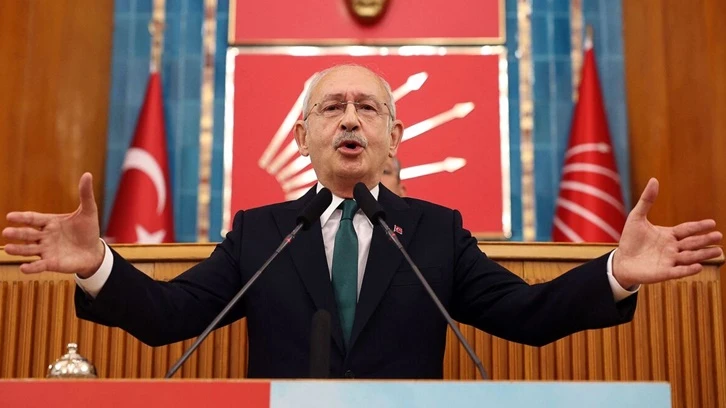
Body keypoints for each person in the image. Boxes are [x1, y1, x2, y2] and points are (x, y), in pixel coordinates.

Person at [2, 64, 722, 379]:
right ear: (303, 136)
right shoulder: (261, 231)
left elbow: (527, 317)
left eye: (367, 107)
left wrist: (616, 273)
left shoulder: (436, 232)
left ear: (393, 137)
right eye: (332, 107)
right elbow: (170, 316)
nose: (350, 119)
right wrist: (98, 265)